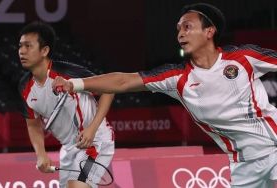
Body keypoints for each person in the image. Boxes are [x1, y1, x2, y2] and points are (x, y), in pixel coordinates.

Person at [53, 3, 277, 188]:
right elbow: (123, 81)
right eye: (178, 28)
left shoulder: (242, 58)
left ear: (209, 32)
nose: (180, 33)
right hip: (242, 164)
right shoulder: (177, 78)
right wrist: (75, 84)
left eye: (188, 27)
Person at [17, 21, 115, 188]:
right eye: (20, 46)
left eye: (28, 46)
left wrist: (92, 128)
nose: (21, 51)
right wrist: (41, 154)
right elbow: (33, 124)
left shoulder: (67, 73)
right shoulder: (25, 87)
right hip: (69, 149)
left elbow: (109, 89)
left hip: (96, 141)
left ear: (44, 50)